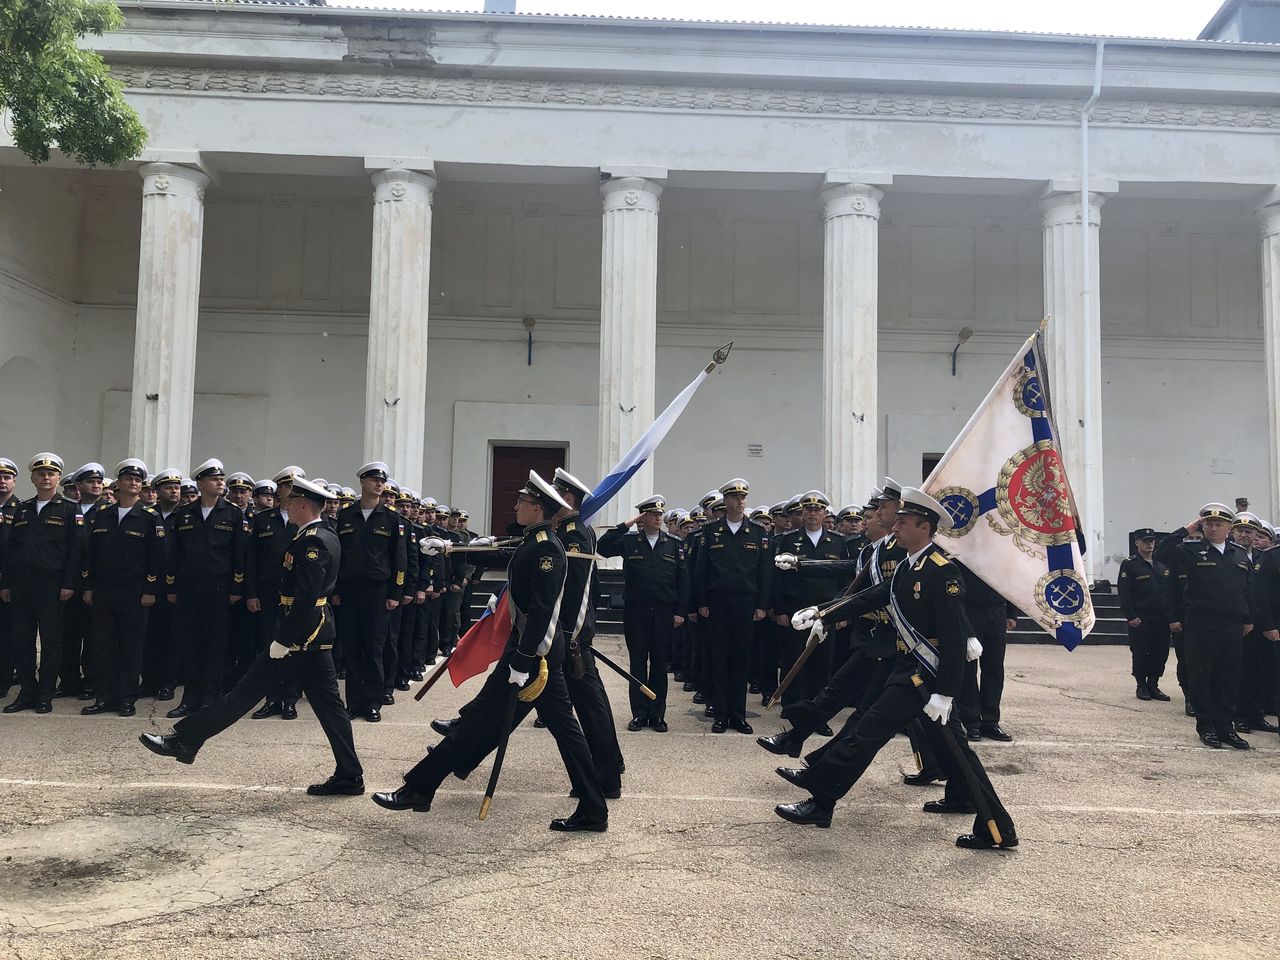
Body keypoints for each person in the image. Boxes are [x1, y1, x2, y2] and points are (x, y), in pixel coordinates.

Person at [774, 487, 1017, 850]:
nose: (896, 527)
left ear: (924, 527)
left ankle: (821, 802)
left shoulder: (940, 571)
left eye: (904, 522)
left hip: (924, 675)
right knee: (956, 752)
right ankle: (997, 827)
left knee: (865, 734)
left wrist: (946, 693)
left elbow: (953, 638)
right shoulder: (910, 565)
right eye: (897, 520)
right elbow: (873, 596)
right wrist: (823, 612)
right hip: (910, 669)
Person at [373, 470, 608, 832]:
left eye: (523, 502)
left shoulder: (547, 548)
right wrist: (454, 548)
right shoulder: (537, 540)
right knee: (550, 728)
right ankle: (593, 807)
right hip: (533, 654)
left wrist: (523, 659)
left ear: (538, 508)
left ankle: (418, 788)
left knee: (485, 720)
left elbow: (545, 610)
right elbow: (507, 553)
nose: (516, 506)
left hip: (535, 655)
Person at [140, 477, 365, 796]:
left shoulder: (312, 541)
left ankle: (184, 740)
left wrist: (283, 641)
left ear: (302, 505)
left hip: (300, 637)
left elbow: (305, 599)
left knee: (243, 694)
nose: (287, 507)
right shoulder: (323, 532)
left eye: (291, 502)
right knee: (330, 708)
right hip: (313, 637)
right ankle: (350, 775)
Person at [549, 467, 625, 797]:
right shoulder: (568, 530)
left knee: (591, 709)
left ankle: (606, 778)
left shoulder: (575, 534)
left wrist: (574, 639)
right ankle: (608, 771)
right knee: (591, 707)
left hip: (571, 637)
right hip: (569, 636)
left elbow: (578, 594)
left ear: (567, 498)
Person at [1154, 503, 1253, 749]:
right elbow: (1161, 553)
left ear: (1229, 527)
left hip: (1231, 626)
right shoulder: (1191, 551)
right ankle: (1206, 727)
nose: (1213, 527)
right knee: (1202, 677)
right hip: (1201, 624)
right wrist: (1187, 529)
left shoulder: (1238, 554)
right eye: (1208, 523)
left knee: (1228, 678)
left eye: (1219, 524)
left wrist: (1248, 618)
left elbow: (1247, 590)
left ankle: (1226, 728)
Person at [81, 459, 166, 717]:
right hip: (105, 591)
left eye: (138, 480)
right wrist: (88, 586)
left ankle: (127, 697)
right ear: (118, 483)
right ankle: (104, 695)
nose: (133, 483)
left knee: (131, 646)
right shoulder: (103, 514)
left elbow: (158, 557)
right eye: (128, 478)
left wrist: (150, 589)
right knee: (104, 645)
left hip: (134, 592)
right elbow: (91, 555)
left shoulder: (150, 517)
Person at [598, 494, 690, 733]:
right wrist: (626, 524)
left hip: (664, 613)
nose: (658, 518)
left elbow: (683, 581)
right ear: (643, 517)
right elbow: (603, 547)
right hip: (636, 612)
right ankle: (639, 713)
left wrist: (680, 612)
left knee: (659, 663)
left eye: (660, 514)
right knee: (638, 664)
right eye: (653, 514)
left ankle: (657, 714)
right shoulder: (630, 541)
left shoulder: (673, 544)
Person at [1, 454, 85, 714]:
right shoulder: (23, 509)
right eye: (41, 473)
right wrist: (6, 584)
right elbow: (11, 551)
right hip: (23, 586)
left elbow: (76, 551)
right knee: (22, 641)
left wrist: (69, 583)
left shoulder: (70, 508)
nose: (46, 477)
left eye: (51, 473)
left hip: (53, 585)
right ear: (33, 478)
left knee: (51, 642)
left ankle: (45, 694)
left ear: (58, 478)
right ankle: (27, 691)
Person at [165, 459, 248, 718]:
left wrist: (236, 586)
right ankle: (190, 698)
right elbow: (174, 553)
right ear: (200, 483)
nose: (220, 482)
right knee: (190, 644)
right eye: (214, 479)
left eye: (221, 478)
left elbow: (239, 554)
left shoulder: (233, 514)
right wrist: (172, 585)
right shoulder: (184, 513)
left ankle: (210, 697)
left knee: (215, 644)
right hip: (190, 588)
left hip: (219, 588)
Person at [692, 478, 771, 734]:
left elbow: (765, 573)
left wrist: (762, 605)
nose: (740, 502)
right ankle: (721, 714)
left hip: (746, 603)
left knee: (741, 659)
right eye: (735, 498)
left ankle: (738, 715)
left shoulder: (759, 533)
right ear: (725, 501)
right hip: (718, 603)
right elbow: (701, 570)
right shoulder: (710, 531)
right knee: (719, 658)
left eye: (743, 498)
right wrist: (701, 602)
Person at [333, 462, 406, 723]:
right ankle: (353, 702)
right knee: (352, 648)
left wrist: (395, 593)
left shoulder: (392, 518)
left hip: (377, 591)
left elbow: (400, 559)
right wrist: (336, 590)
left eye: (382, 481)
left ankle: (373, 702)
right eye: (374, 480)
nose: (379, 484)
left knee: (374, 649)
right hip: (349, 591)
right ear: (362, 482)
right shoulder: (346, 515)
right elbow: (338, 556)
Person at [247, 467, 304, 721]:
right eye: (287, 486)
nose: (291, 491)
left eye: (295, 486)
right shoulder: (263, 520)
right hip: (268, 592)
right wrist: (251, 593)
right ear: (278, 489)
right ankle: (271, 698)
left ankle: (290, 699)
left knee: (292, 644)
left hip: (295, 593)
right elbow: (252, 560)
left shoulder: (305, 520)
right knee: (269, 645)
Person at [1117, 529, 1172, 703]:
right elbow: (1125, 593)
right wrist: (1130, 615)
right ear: (1137, 542)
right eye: (1145, 541)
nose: (1149, 544)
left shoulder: (1161, 565)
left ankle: (1154, 684)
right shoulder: (1130, 564)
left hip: (1161, 618)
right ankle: (1141, 685)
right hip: (1141, 618)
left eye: (1152, 540)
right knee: (1141, 652)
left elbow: (1168, 593)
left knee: (1160, 653)